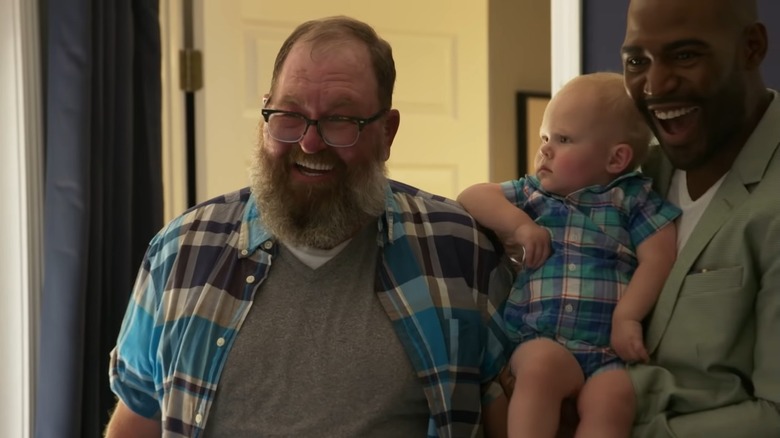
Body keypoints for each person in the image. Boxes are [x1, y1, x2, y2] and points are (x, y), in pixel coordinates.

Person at [104, 16, 512, 438]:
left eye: (340, 120)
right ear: (266, 118)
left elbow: (518, 410)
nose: (309, 143)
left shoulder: (460, 250)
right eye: (289, 114)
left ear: (386, 131)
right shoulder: (180, 251)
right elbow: (137, 418)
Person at [458, 72, 681, 437]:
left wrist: (627, 317)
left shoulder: (632, 199)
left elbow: (660, 255)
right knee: (541, 370)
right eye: (545, 137)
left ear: (616, 158)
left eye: (563, 139)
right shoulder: (534, 195)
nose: (545, 149)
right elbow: (473, 195)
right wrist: (520, 225)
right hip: (542, 338)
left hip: (606, 350)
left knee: (616, 396)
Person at [619, 0, 780, 436]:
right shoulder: (631, 180)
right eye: (637, 61)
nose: (654, 84)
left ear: (751, 47)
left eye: (685, 55)